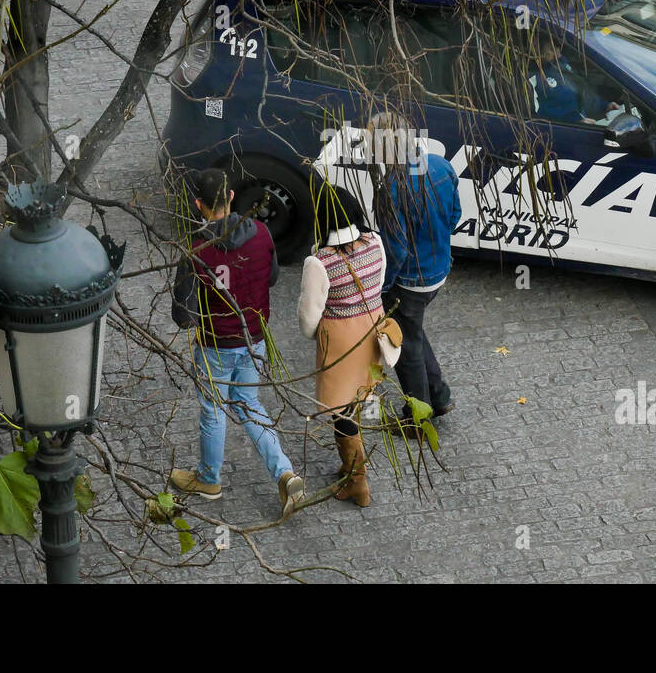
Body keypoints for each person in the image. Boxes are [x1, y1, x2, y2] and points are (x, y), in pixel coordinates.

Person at [170, 168, 304, 518]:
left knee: (213, 409)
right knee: (248, 403)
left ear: (199, 204)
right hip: (254, 338)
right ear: (231, 198)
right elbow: (272, 278)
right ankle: (285, 472)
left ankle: (209, 479)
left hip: (216, 343)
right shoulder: (261, 232)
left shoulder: (197, 249)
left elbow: (182, 316)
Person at [368, 112, 460, 428]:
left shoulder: (392, 189)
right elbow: (454, 216)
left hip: (409, 283)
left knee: (406, 349)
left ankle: (418, 419)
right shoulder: (441, 166)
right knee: (413, 332)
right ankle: (439, 396)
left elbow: (396, 251)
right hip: (438, 271)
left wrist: (382, 289)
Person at [297, 186, 386, 507]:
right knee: (359, 398)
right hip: (373, 331)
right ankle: (352, 466)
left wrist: (316, 333)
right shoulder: (374, 241)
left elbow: (309, 317)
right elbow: (380, 284)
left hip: (342, 343)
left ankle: (357, 483)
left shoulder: (319, 262)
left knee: (342, 413)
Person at [528, 36, 622, 123]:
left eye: (556, 48)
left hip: (583, 120)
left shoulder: (561, 64)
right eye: (551, 49)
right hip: (567, 129)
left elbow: (580, 91)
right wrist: (575, 122)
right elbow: (540, 114)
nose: (556, 53)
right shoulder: (532, 77)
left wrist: (605, 106)